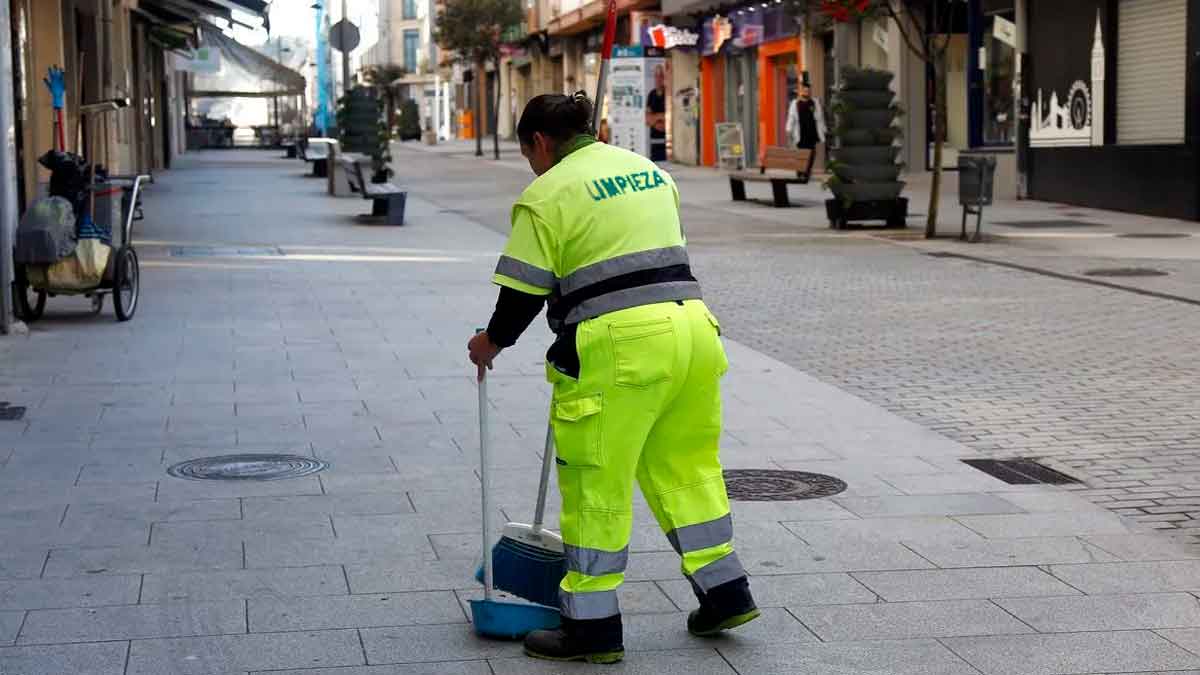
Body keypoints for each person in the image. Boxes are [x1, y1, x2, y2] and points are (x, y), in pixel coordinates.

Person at [467, 92, 758, 664]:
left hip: (620, 349)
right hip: (694, 331)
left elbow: (522, 292)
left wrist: (490, 342)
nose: (531, 163)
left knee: (596, 487)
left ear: (540, 143)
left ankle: (592, 630)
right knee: (688, 469)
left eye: (529, 153)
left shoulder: (545, 194)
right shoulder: (649, 172)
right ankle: (726, 594)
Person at [785, 83, 827, 153]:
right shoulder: (795, 104)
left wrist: (824, 130)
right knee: (803, 159)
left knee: (811, 157)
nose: (807, 93)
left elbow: (820, 118)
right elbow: (791, 119)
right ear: (800, 91)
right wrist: (789, 134)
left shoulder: (815, 102)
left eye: (809, 91)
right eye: (805, 91)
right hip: (800, 138)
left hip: (812, 137)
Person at [645, 66, 668, 162]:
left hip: (667, 143)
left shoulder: (668, 94)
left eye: (661, 76)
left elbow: (670, 117)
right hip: (654, 142)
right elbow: (647, 119)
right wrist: (660, 118)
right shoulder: (651, 95)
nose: (658, 79)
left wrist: (656, 117)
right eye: (656, 76)